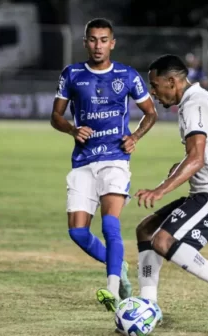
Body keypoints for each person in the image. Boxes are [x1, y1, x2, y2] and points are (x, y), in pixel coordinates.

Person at [50, 18, 157, 312]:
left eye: (104, 40)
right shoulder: (71, 75)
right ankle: (118, 263)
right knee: (78, 232)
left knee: (111, 223)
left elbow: (150, 113)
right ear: (85, 43)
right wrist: (72, 129)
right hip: (83, 161)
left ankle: (111, 288)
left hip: (115, 160)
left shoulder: (127, 74)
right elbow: (55, 116)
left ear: (113, 42)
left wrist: (135, 136)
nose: (98, 46)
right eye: (93, 40)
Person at [134, 54, 208, 322]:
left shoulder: (191, 105)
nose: (152, 92)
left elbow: (196, 157)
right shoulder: (201, 98)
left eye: (155, 84)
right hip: (207, 191)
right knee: (146, 230)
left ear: (172, 82)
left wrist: (161, 189)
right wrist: (180, 166)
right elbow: (202, 154)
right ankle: (150, 306)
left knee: (163, 240)